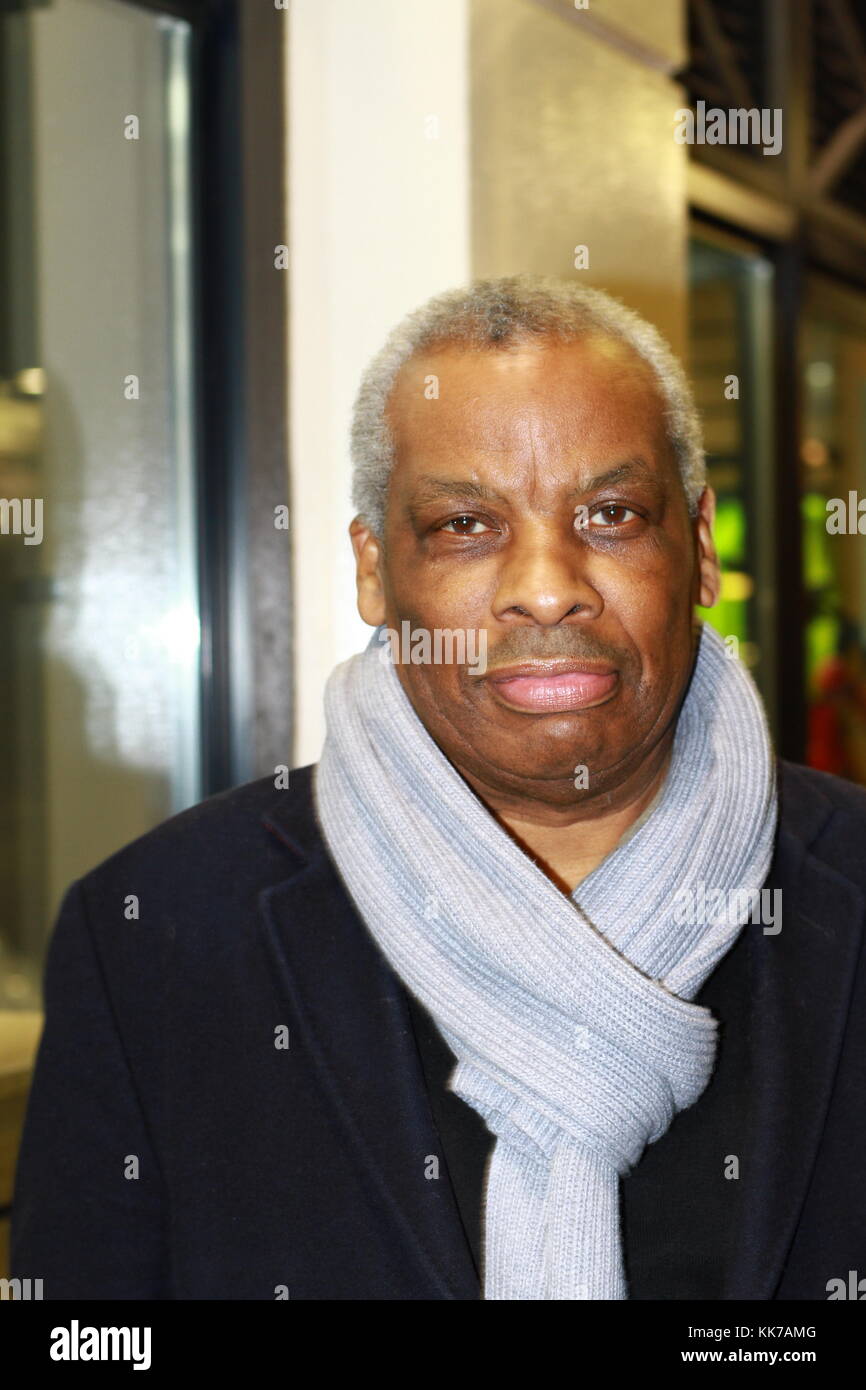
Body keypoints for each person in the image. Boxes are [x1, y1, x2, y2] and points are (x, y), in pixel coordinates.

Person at [11, 276, 866, 1300]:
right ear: (374, 569)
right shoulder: (158, 936)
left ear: (698, 547)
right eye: (466, 524)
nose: (546, 586)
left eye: (609, 513)